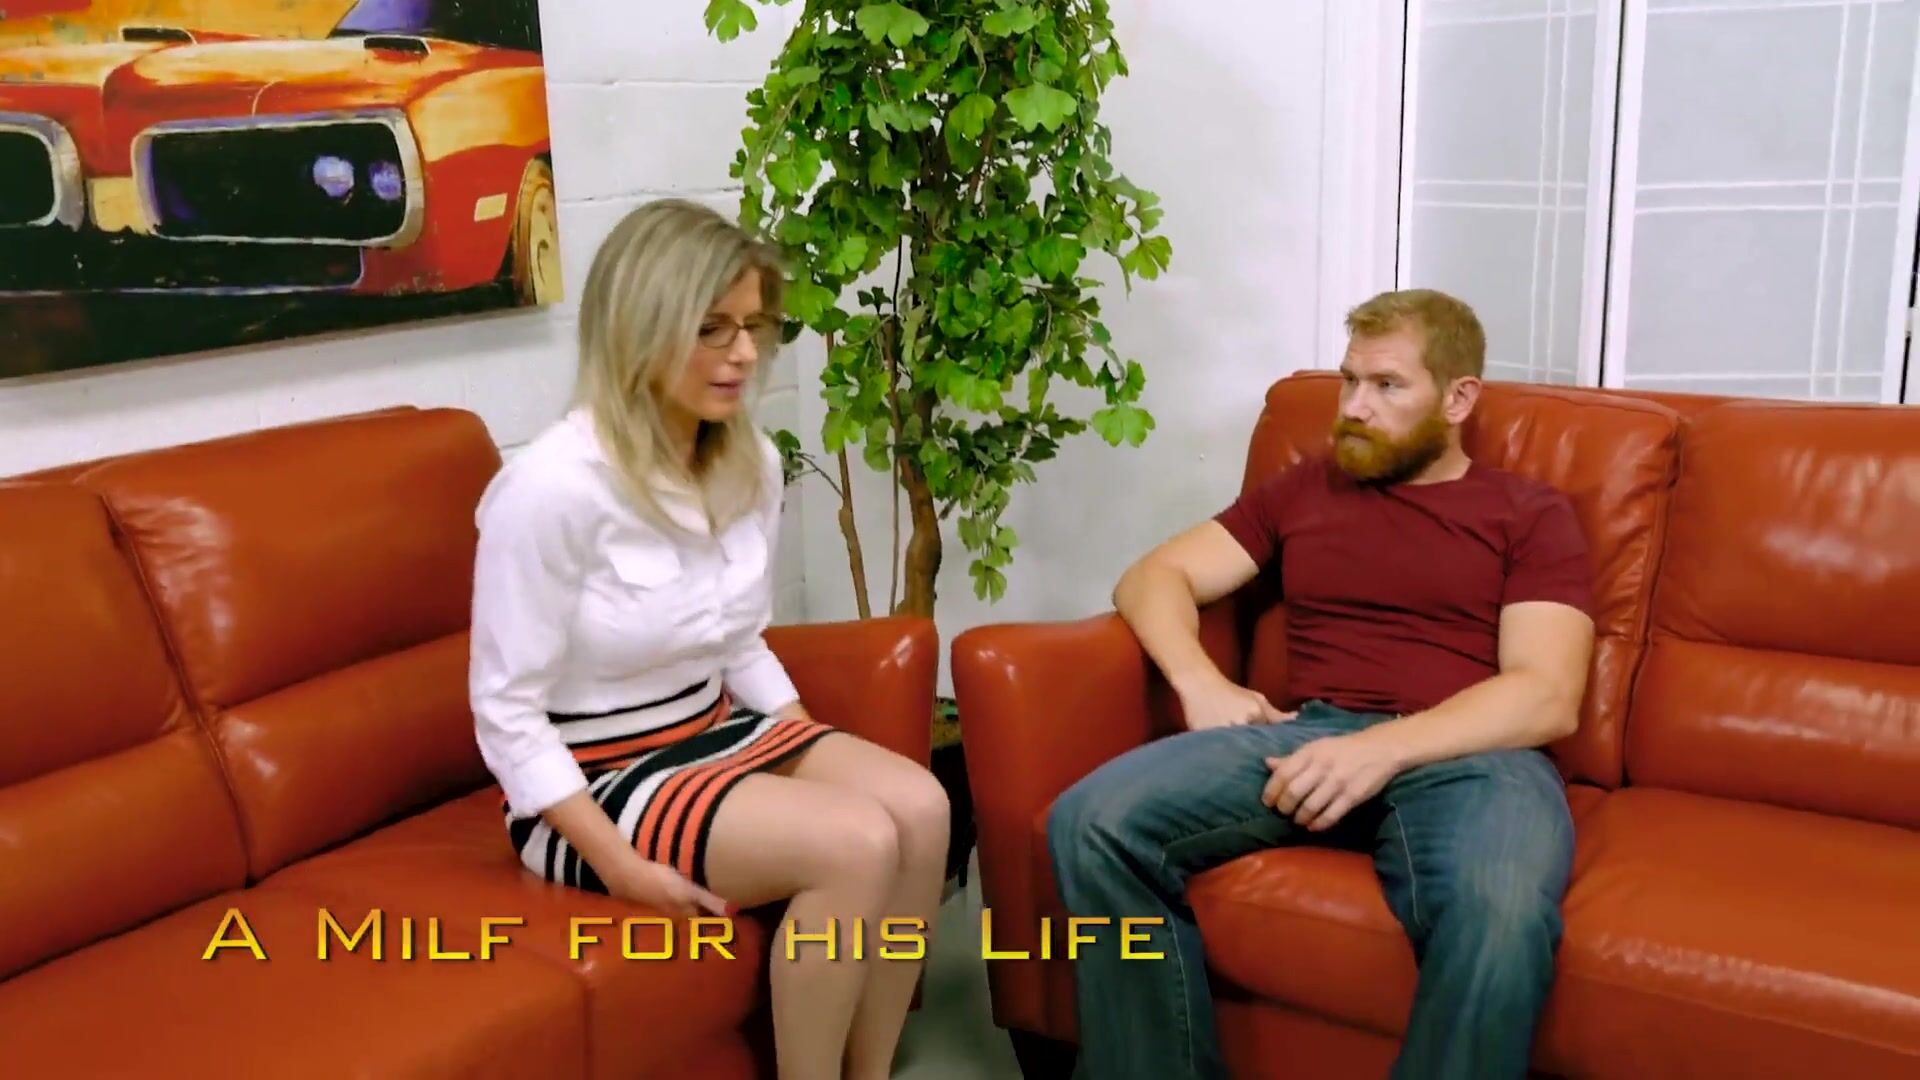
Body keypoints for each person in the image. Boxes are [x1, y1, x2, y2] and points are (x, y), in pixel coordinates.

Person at [1048, 289, 1596, 1080]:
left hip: (1473, 756)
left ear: (1458, 399)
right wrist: (1200, 682)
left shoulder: (1528, 513)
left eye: (1387, 386)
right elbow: (1154, 576)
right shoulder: (1305, 489)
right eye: (1349, 381)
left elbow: (1546, 691)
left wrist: (1384, 749)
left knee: (1500, 910)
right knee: (1093, 820)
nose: (1355, 407)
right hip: (1309, 734)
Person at [468, 198, 950, 1080]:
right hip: (594, 778)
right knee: (855, 842)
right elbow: (505, 712)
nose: (744, 354)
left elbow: (741, 642)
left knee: (921, 806)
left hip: (712, 728)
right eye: (712, 329)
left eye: (753, 327)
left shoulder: (748, 462)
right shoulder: (549, 488)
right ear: (637, 329)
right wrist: (618, 867)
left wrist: (803, 741)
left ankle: (870, 1071)